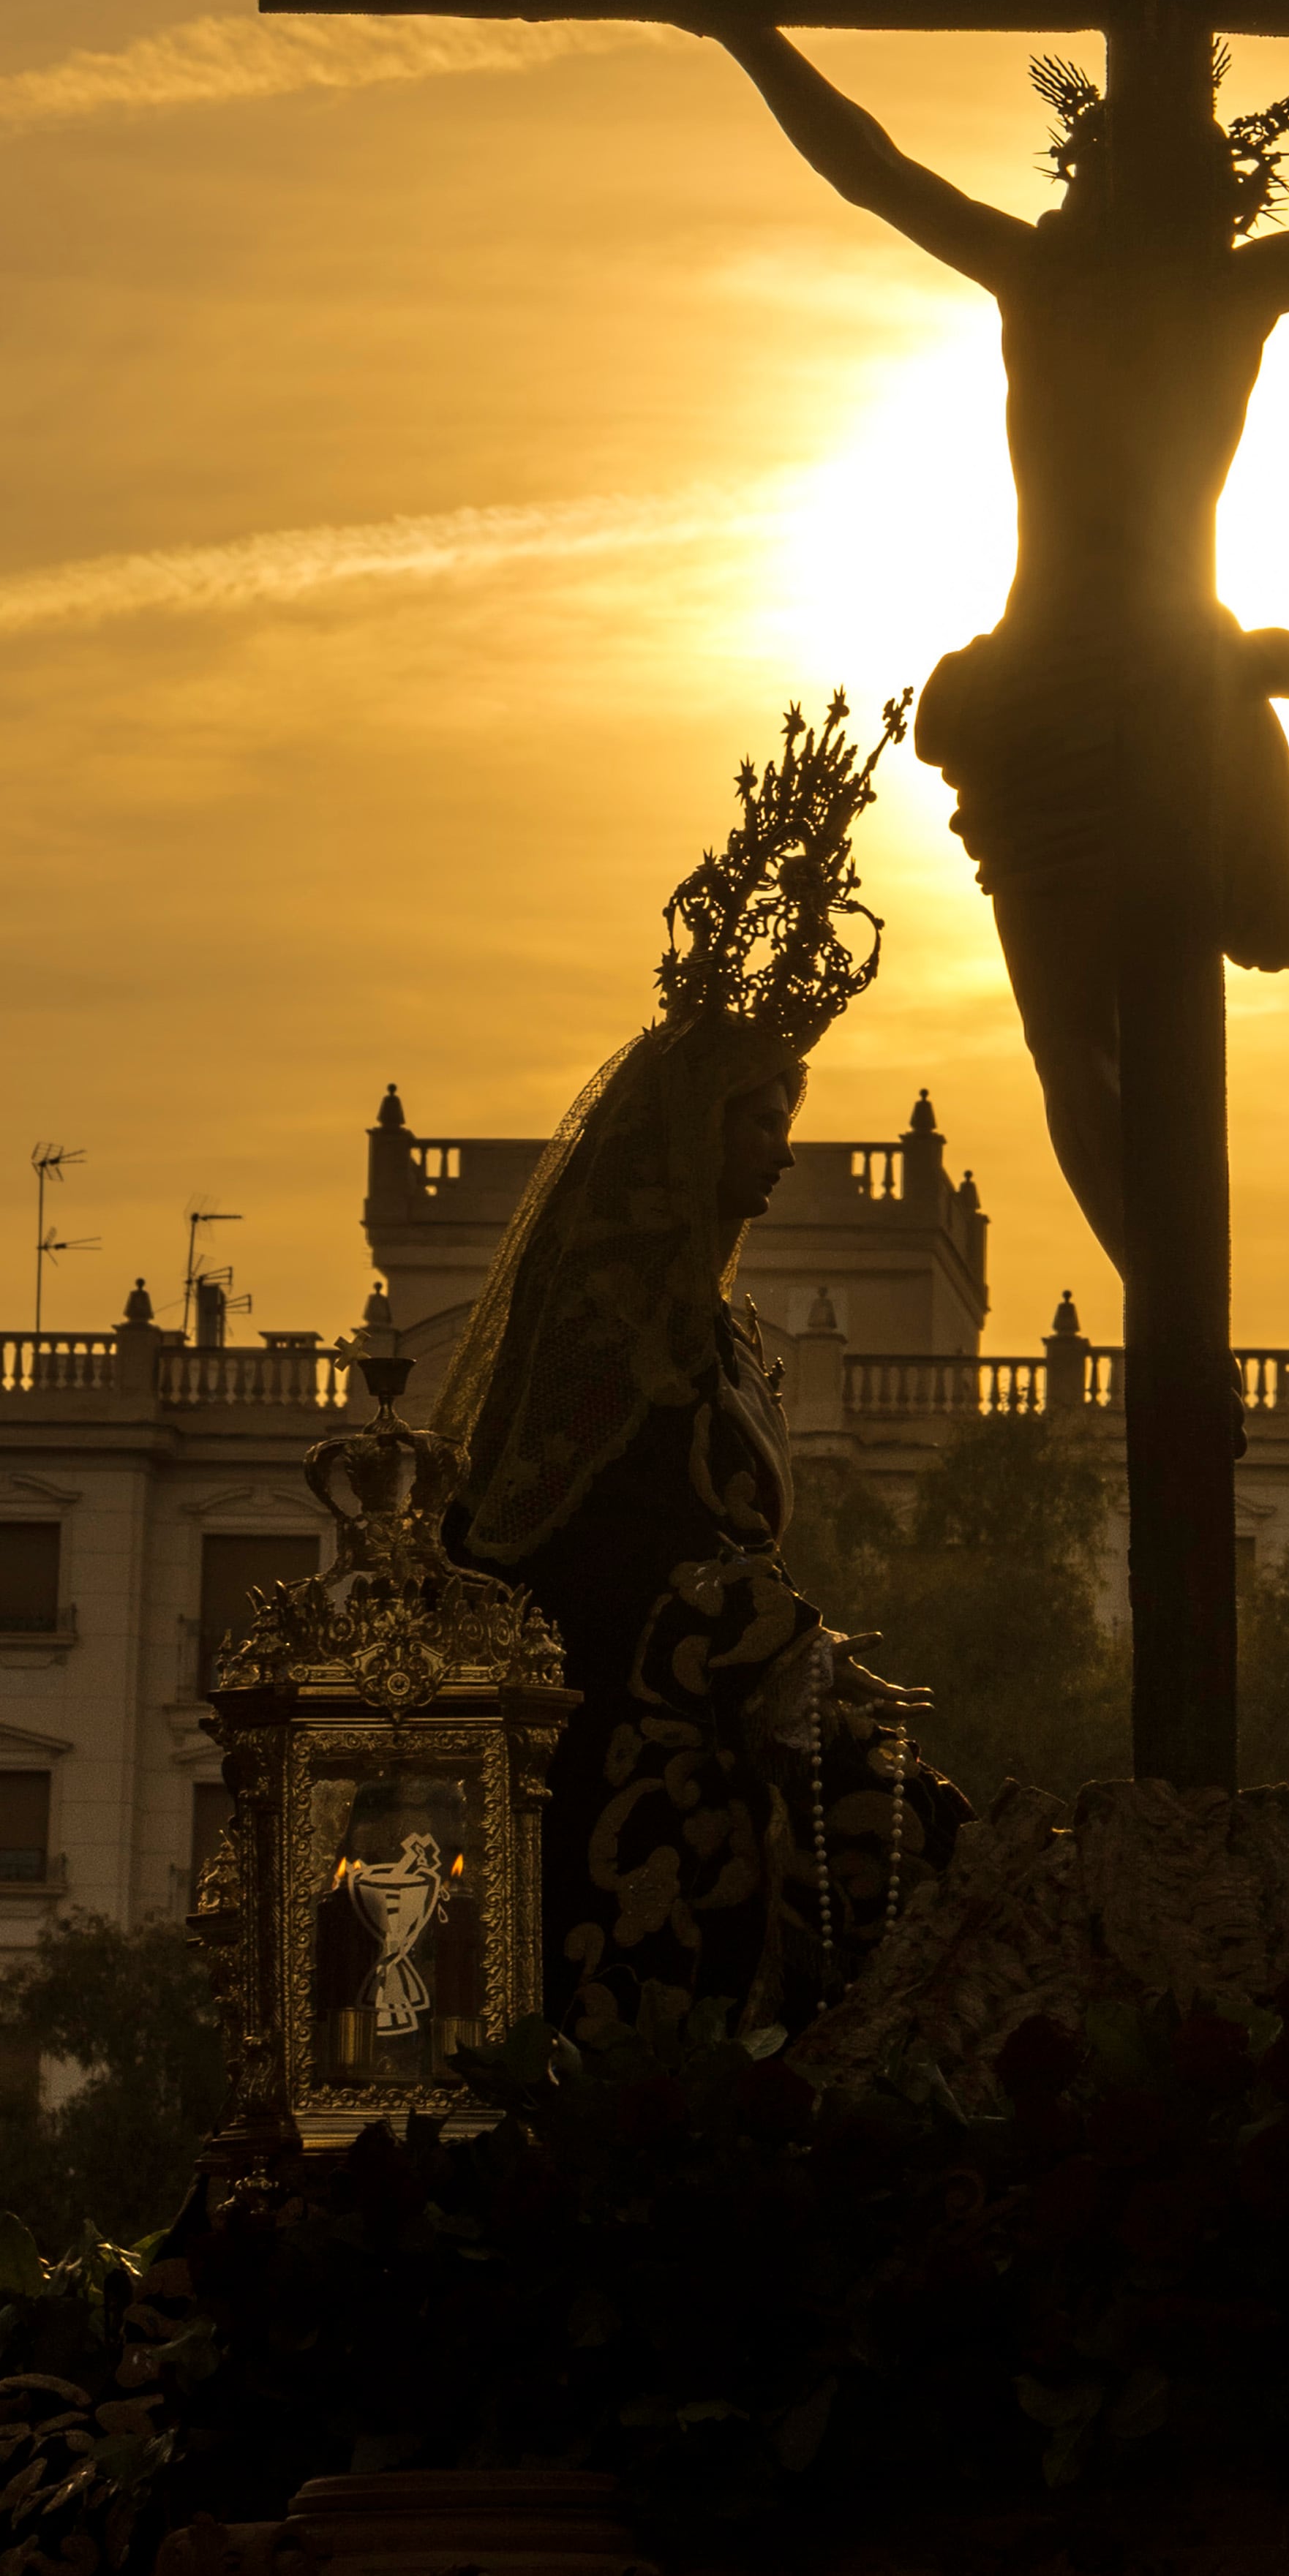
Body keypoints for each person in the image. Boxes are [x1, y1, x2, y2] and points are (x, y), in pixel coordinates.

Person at [704, 22, 1289, 1260]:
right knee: (1094, 1041)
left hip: (1061, 688)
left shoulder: (1055, 280)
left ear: (1089, 175)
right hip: (1133, 685)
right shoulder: (1223, 289)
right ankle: (1174, 1316)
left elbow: (868, 165)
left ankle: (1172, 1307)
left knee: (1074, 1043)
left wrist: (744, 32)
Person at [437, 697, 965, 2036]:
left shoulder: (723, 1337)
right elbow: (544, 1543)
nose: (781, 1154)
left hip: (740, 1738)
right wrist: (750, 1631)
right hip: (631, 1770)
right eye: (759, 1122)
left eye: (788, 1121)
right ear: (685, 1134)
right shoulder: (605, 1327)